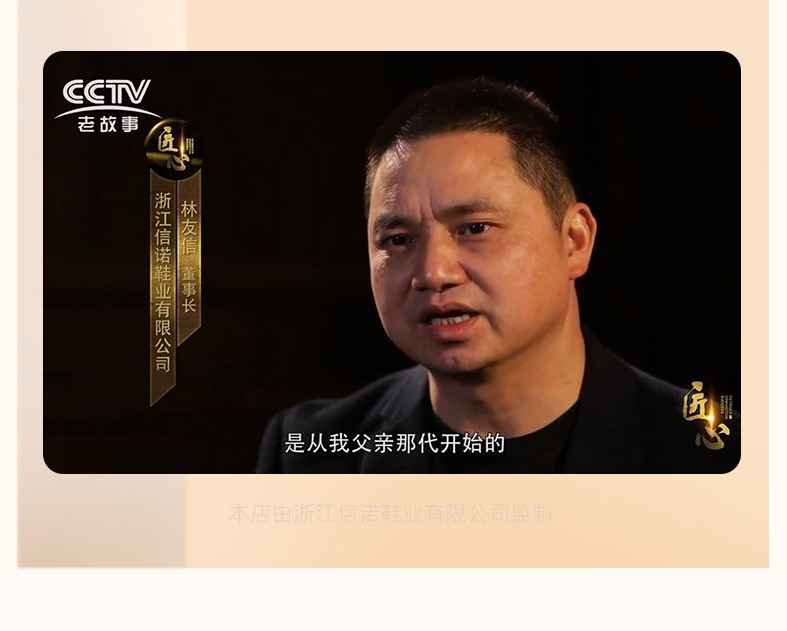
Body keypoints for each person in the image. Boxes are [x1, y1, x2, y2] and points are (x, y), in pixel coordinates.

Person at [255, 78, 740, 474]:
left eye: (475, 228)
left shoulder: (711, 453)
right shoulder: (309, 454)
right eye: (398, 240)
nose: (433, 273)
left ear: (574, 240)